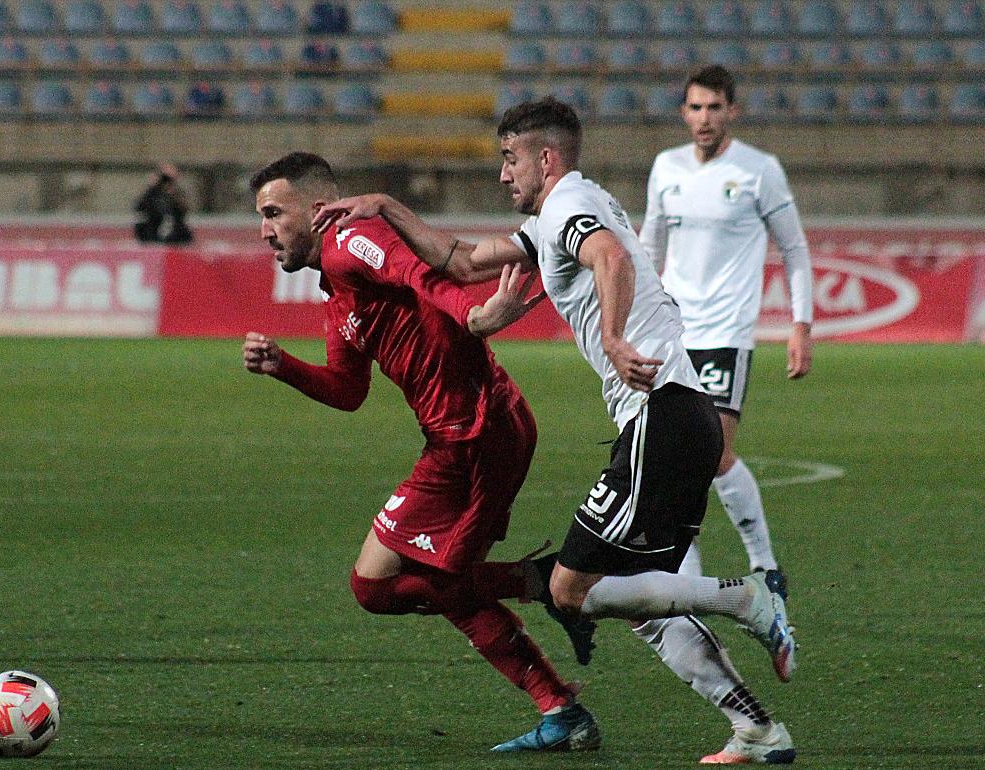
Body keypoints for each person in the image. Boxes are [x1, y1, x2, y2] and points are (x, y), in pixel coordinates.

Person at [313, 98, 797, 764]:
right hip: (681, 418)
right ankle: (758, 729)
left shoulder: (570, 206)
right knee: (643, 606)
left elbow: (610, 260)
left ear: (546, 157)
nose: (503, 174)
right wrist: (388, 208)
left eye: (510, 158)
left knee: (573, 590)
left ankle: (745, 601)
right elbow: (458, 259)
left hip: (659, 414)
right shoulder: (555, 217)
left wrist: (614, 335)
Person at [242, 151, 599, 753]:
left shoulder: (351, 240)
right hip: (455, 440)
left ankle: (562, 681)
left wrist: (477, 316)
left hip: (479, 434)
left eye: (274, 213)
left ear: (315, 207)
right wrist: (284, 368)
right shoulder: (338, 285)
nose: (264, 231)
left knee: (415, 583)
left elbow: (421, 274)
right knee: (388, 586)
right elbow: (348, 390)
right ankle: (541, 600)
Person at [639, 65, 814, 583]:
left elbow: (795, 248)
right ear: (684, 112)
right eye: (695, 108)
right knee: (670, 456)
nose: (704, 118)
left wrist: (800, 325)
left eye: (714, 107)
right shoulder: (666, 167)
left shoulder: (758, 169)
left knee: (714, 452)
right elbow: (650, 247)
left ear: (731, 111)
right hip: (672, 332)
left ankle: (764, 563)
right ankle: (683, 569)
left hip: (724, 335)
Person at [134, 164, 193, 244]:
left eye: (170, 179)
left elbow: (182, 213)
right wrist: (152, 187)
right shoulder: (150, 196)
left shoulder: (177, 195)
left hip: (175, 238)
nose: (167, 182)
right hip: (152, 236)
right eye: (164, 178)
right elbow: (140, 210)